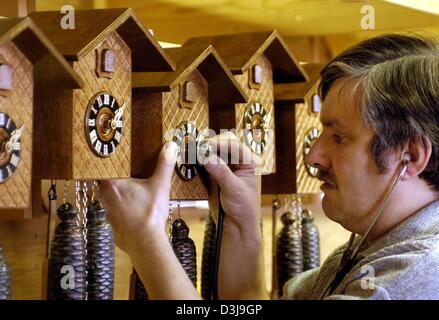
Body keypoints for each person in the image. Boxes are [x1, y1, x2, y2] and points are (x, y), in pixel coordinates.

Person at [100, 33, 439, 300]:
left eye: (339, 137)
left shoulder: (404, 280)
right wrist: (243, 224)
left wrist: (147, 242)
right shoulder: (366, 251)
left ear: (409, 154)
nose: (313, 156)